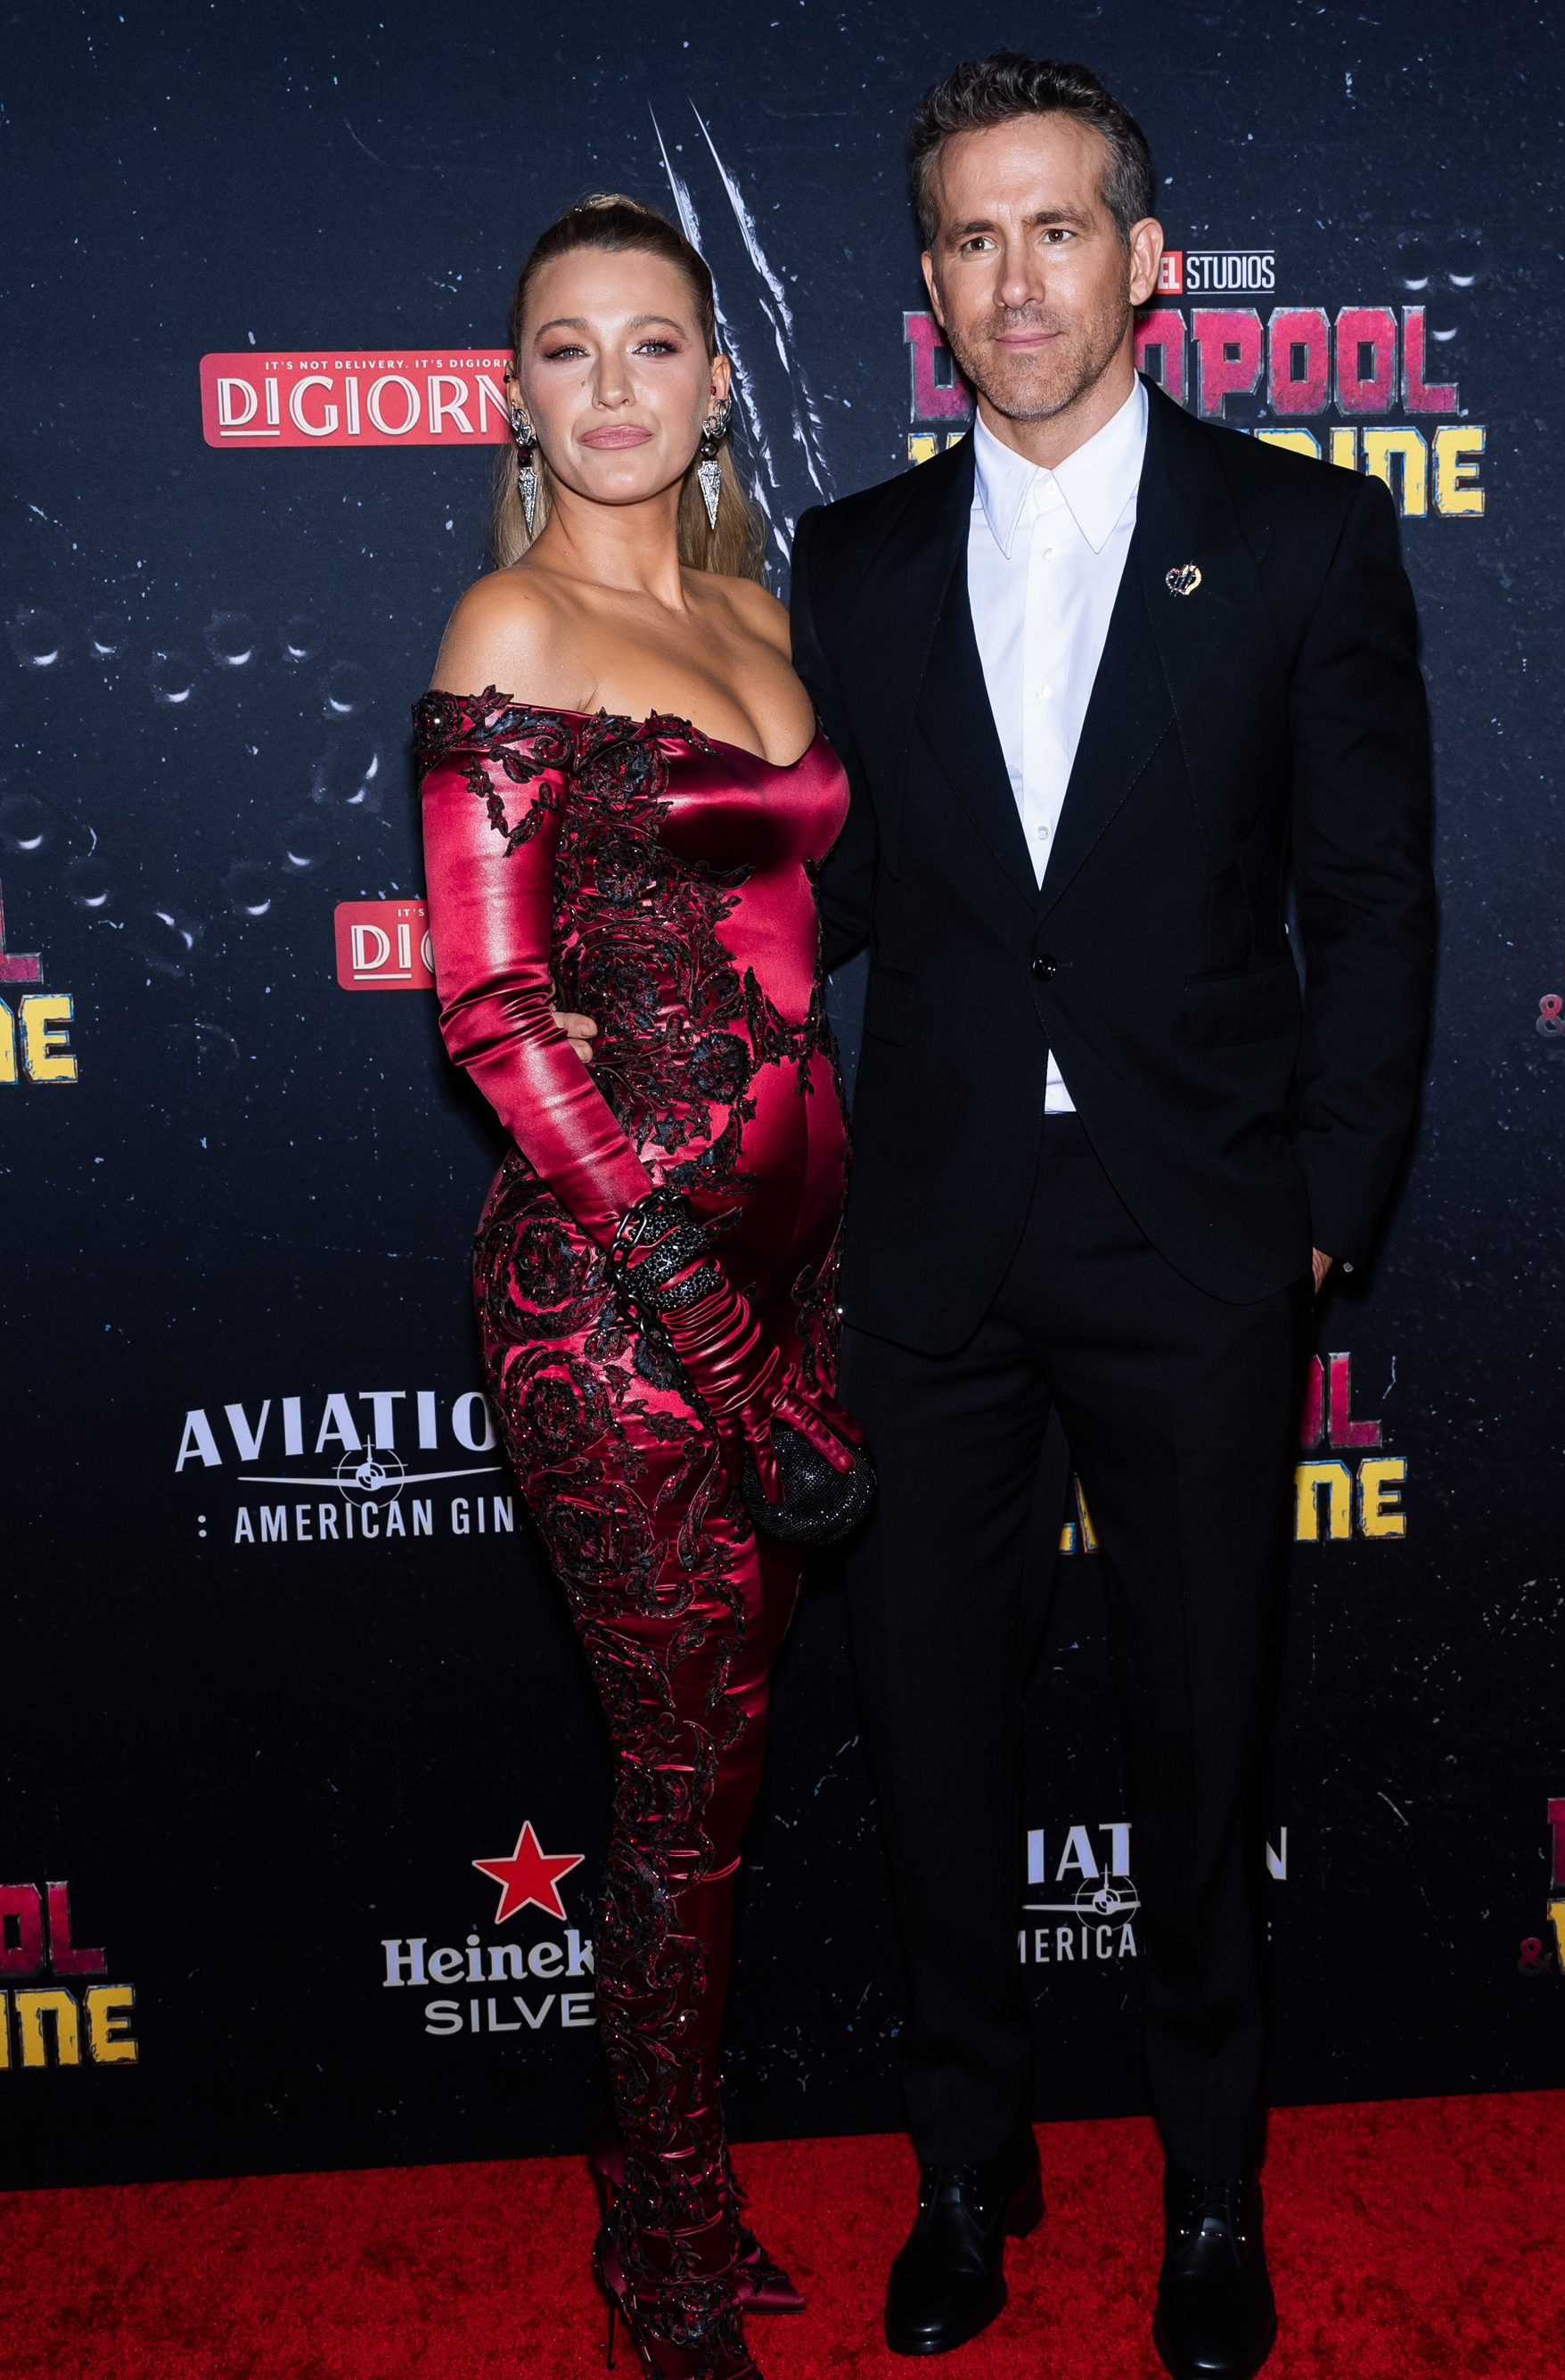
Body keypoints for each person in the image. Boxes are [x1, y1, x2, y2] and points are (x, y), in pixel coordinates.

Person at [791, 53, 1435, 2380]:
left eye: (1056, 228)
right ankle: (968, 2162)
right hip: (935, 1241)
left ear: (1148, 261)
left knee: (1202, 1743)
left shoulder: (1301, 537)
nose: (1014, 276)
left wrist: (1320, 1215)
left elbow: (1374, 904)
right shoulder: (854, 559)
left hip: (1197, 1240)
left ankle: (1211, 2192)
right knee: (935, 1735)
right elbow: (842, 890)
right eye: (970, 238)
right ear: (931, 291)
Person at [415, 192, 859, 2380]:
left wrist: (796, 1300)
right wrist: (702, 1317)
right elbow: (490, 1018)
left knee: (726, 1777)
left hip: (791, 1284)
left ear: (709, 378)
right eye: (567, 350)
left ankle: (671, 2180)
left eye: (653, 346)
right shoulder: (511, 623)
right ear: (519, 391)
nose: (612, 387)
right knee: (682, 1786)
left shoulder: (757, 608)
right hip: (609, 1302)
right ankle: (659, 2241)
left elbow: (778, 944)